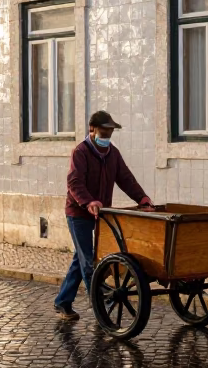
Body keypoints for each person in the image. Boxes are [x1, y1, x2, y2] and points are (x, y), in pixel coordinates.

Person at [55, 110, 153, 319]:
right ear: (92, 129)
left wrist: (142, 198)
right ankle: (99, 304)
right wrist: (88, 201)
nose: (107, 136)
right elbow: (74, 182)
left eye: (110, 132)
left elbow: (126, 178)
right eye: (104, 131)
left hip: (101, 213)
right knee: (88, 260)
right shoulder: (80, 152)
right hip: (78, 212)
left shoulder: (113, 154)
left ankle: (62, 302)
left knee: (81, 258)